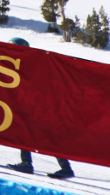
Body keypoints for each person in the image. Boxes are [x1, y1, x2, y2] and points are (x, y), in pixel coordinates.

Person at [6, 38, 74, 179]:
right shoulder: (15, 62)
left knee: (47, 135)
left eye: (13, 46)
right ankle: (28, 163)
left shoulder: (32, 61)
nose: (9, 48)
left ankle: (65, 167)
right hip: (29, 103)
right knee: (26, 132)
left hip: (39, 104)